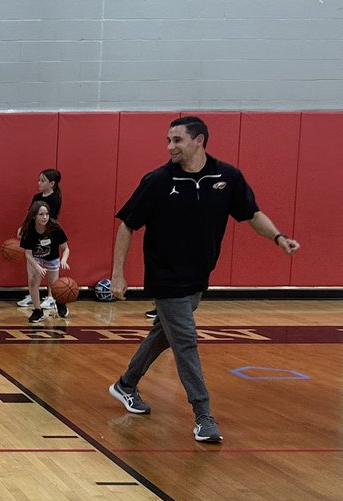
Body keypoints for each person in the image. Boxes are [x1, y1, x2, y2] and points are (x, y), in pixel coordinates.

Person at [108, 115, 300, 443]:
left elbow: (251, 214)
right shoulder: (156, 181)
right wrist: (117, 275)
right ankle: (203, 414)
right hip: (165, 277)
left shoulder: (227, 177)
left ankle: (126, 384)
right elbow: (127, 224)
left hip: (199, 275)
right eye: (168, 140)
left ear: (199, 141)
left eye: (177, 140)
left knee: (165, 335)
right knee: (185, 341)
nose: (170, 147)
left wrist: (278, 237)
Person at [16, 169, 62, 310]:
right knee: (33, 267)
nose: (39, 183)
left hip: (49, 235)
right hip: (34, 234)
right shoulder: (37, 197)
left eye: (42, 180)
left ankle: (51, 297)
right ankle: (33, 293)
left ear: (52, 183)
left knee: (50, 267)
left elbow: (50, 220)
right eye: (39, 180)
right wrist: (23, 228)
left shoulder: (54, 199)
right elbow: (30, 216)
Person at [18, 200, 71, 323]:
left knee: (55, 286)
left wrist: (64, 260)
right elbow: (28, 254)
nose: (45, 217)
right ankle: (37, 311)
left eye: (46, 214)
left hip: (52, 258)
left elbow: (66, 248)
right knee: (32, 281)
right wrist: (37, 267)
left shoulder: (54, 228)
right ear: (34, 216)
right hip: (35, 258)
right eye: (41, 214)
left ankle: (60, 303)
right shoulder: (29, 230)